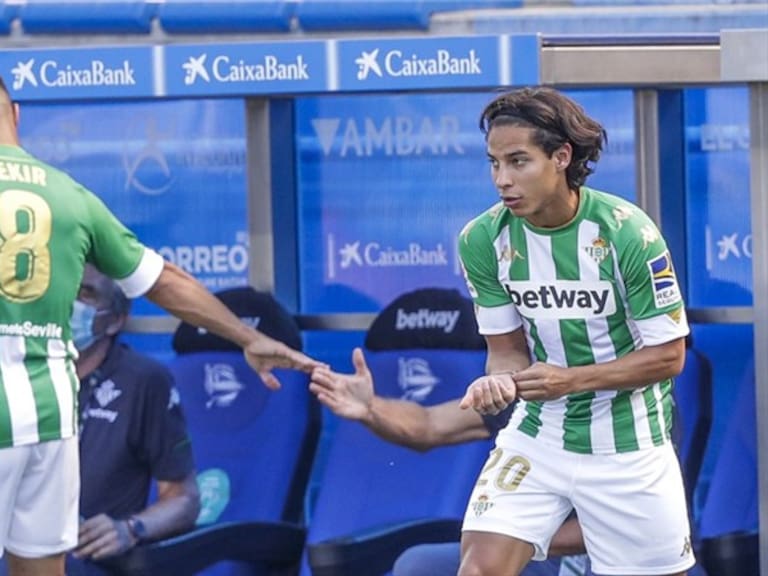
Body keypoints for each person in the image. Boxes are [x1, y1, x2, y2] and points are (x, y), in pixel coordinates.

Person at [0, 74, 321, 576]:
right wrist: (250, 338)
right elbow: (163, 280)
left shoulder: (141, 381)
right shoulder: (70, 196)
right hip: (48, 416)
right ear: (16, 114)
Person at [456, 86, 693, 576]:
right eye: (494, 163)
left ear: (561, 156)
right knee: (479, 569)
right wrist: (499, 381)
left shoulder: (629, 232)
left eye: (518, 161)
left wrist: (572, 379)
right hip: (539, 436)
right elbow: (506, 353)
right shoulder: (482, 239)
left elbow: (670, 357)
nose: (502, 179)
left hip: (630, 447)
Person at [309, 347, 592, 576]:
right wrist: (370, 408)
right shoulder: (529, 393)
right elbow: (429, 425)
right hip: (531, 547)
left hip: (595, 549)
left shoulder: (611, 398)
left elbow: (627, 515)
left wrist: (511, 540)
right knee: (419, 565)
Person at [65, 265, 199, 574]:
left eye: (86, 293)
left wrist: (130, 528)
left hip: (88, 561)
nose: (68, 302)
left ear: (115, 320)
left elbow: (184, 499)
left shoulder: (143, 381)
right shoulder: (22, 372)